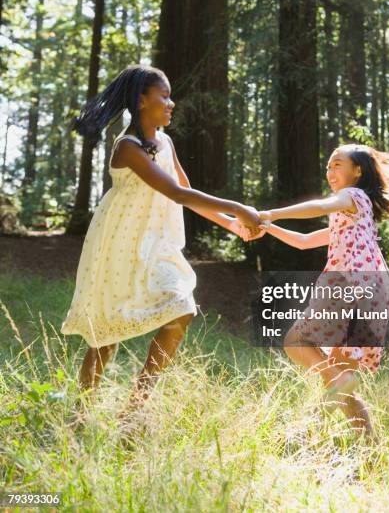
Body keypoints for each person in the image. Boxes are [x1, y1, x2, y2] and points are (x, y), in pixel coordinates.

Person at [61, 64, 259, 420]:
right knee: (106, 336)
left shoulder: (165, 142)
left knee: (181, 309)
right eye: (163, 97)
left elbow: (188, 191)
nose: (171, 104)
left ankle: (135, 410)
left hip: (157, 241)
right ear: (141, 100)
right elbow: (176, 193)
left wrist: (233, 224)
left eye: (170, 96)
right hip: (119, 240)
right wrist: (239, 207)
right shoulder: (127, 147)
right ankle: (80, 414)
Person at [254, 144, 389, 440]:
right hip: (372, 291)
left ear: (357, 172)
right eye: (328, 166)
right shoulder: (355, 213)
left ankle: (316, 423)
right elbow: (305, 241)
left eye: (337, 165)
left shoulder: (353, 197)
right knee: (338, 375)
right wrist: (268, 227)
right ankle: (370, 450)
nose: (330, 171)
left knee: (296, 341)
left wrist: (271, 213)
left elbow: (319, 207)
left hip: (350, 284)